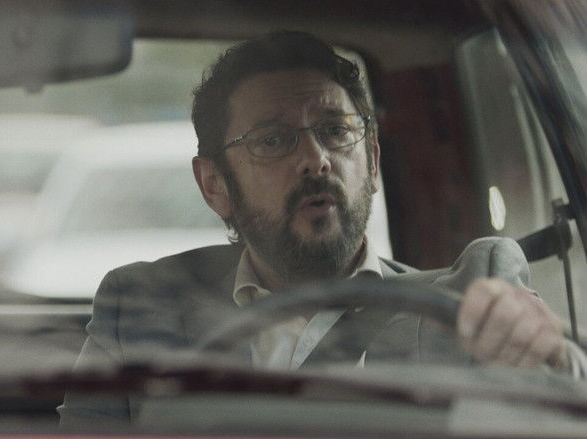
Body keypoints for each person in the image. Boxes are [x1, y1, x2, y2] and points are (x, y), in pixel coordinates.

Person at [58, 30, 586, 424]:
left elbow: (559, 408)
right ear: (215, 185)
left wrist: (549, 356)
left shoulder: (462, 305)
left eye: (335, 131)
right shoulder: (142, 304)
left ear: (372, 161)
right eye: (272, 140)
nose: (315, 160)